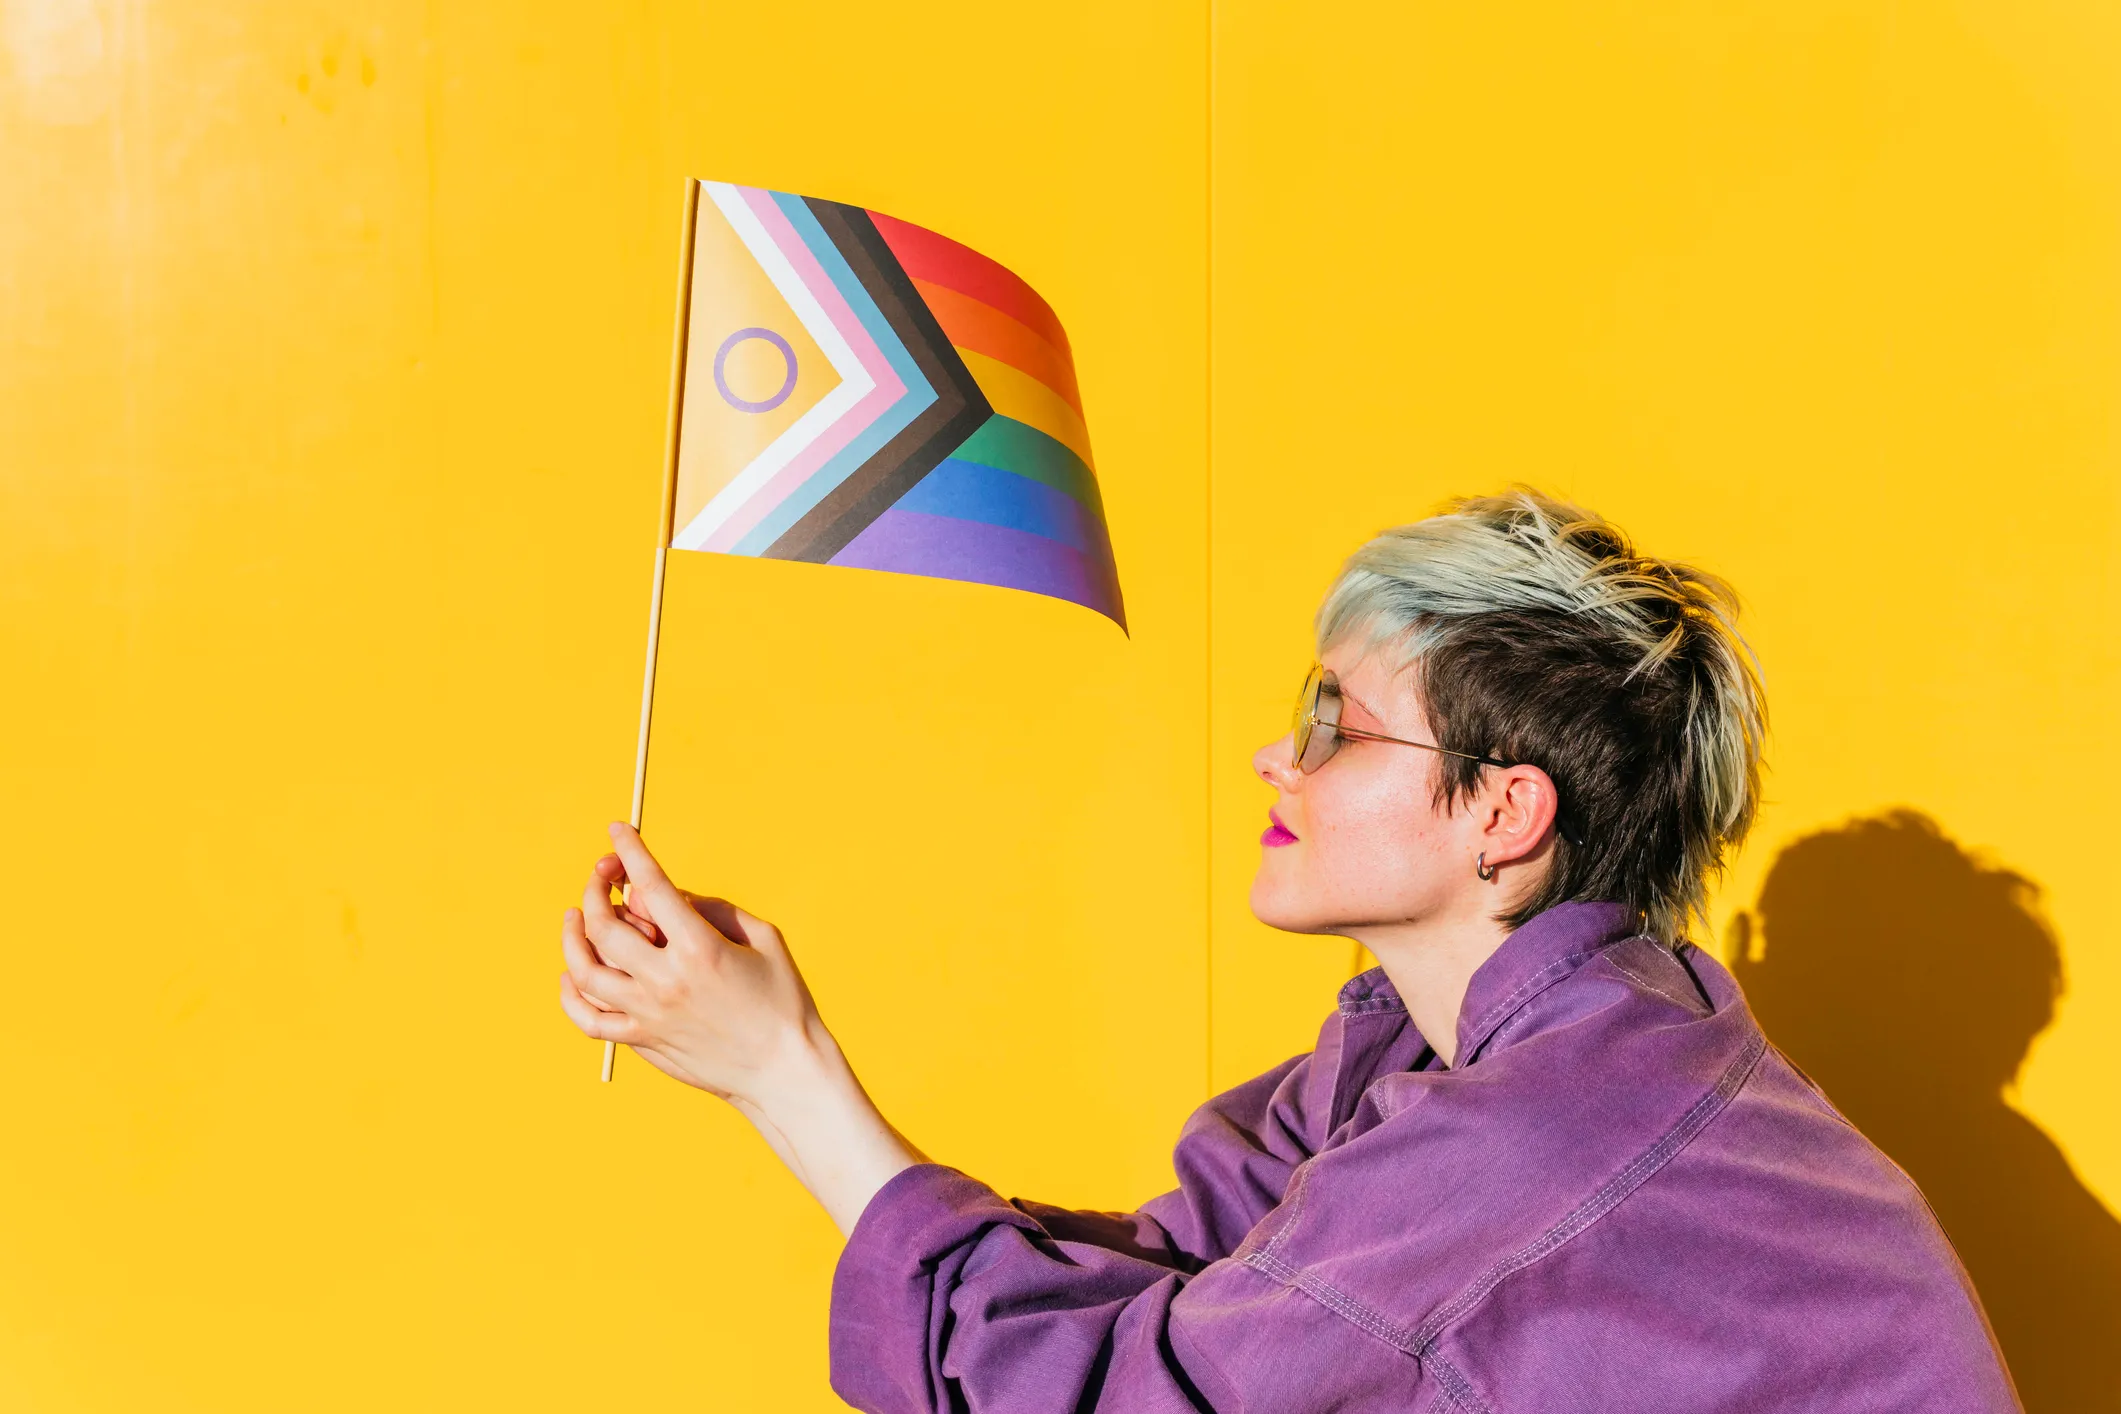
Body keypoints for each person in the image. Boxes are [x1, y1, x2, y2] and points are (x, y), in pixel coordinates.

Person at [558, 490, 2019, 1413]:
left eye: (1335, 718)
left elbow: (1120, 1397)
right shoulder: (1459, 1044)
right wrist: (761, 1058)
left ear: (1504, 811)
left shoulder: (1544, 1136)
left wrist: (785, 1074)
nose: (1279, 753)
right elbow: (1173, 1275)